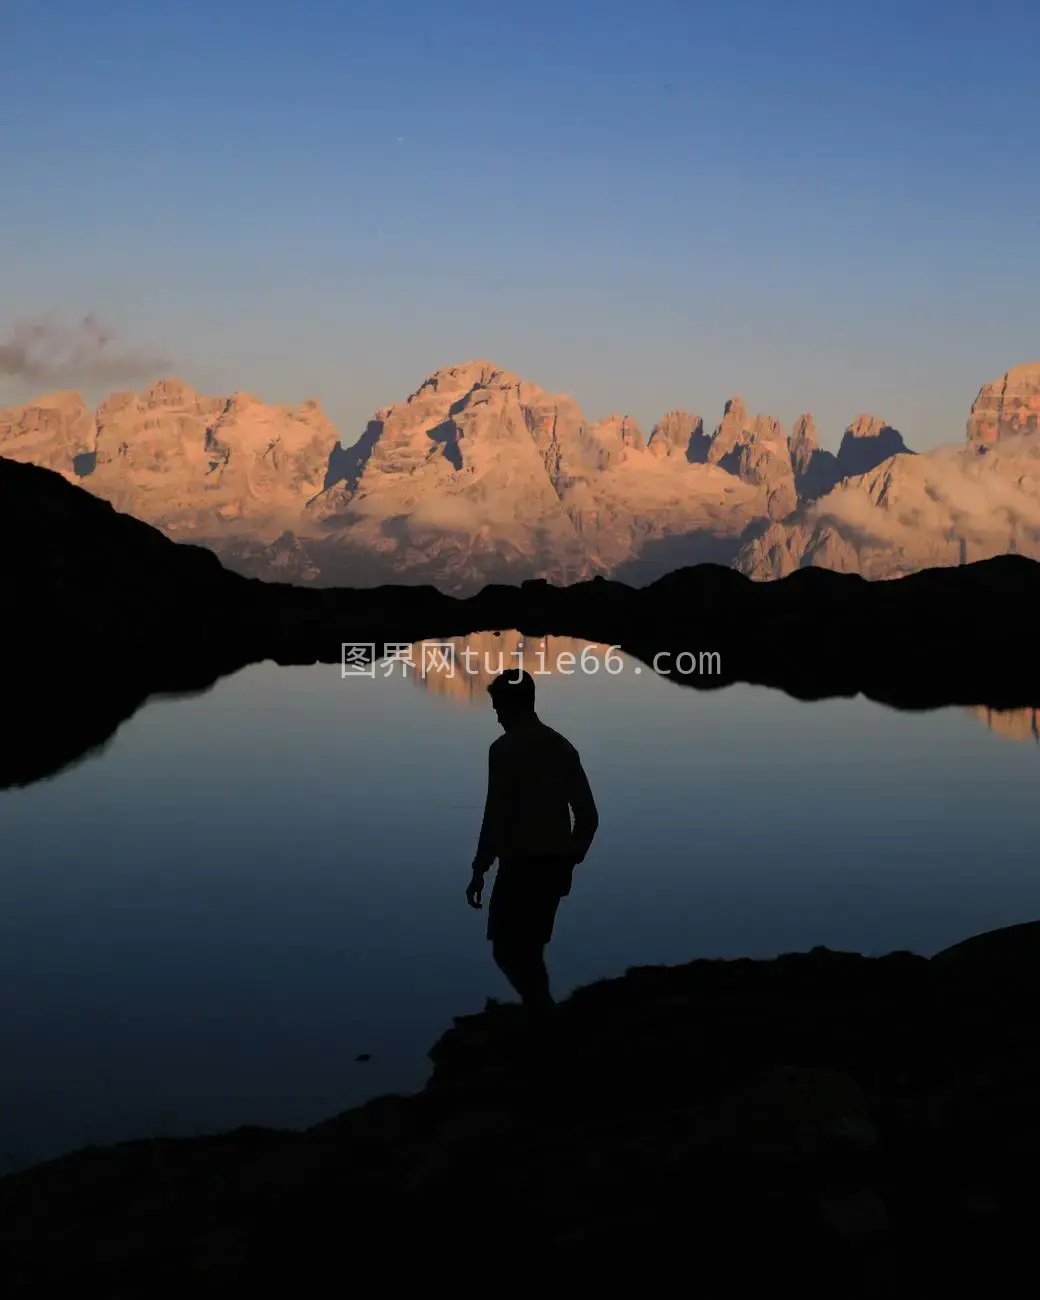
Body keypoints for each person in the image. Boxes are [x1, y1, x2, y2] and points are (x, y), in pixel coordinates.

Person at [466, 668, 598, 1012]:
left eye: (497, 709)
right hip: (553, 864)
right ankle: (542, 1014)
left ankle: (543, 1014)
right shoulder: (562, 747)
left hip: (520, 866)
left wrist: (480, 869)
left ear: (511, 706)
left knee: (507, 949)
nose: (496, 718)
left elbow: (495, 815)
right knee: (532, 948)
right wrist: (571, 858)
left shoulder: (505, 750)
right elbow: (588, 815)